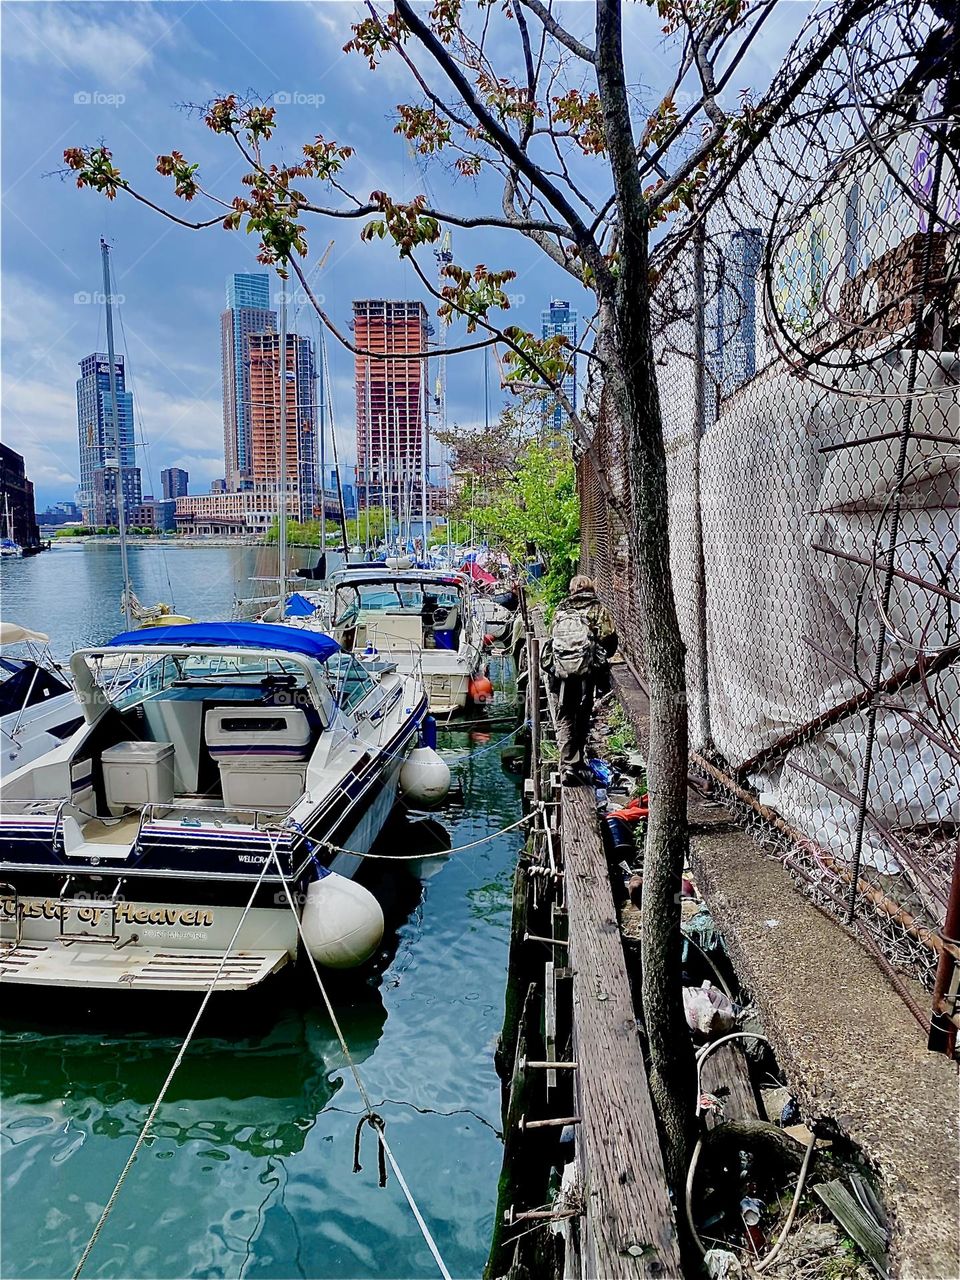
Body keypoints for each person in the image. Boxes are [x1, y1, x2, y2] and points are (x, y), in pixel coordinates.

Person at [544, 575, 618, 785]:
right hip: (586, 673)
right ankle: (578, 762)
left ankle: (568, 764)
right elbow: (609, 638)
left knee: (565, 715)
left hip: (562, 673)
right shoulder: (597, 609)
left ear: (571, 590)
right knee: (583, 712)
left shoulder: (560, 610)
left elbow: (553, 638)